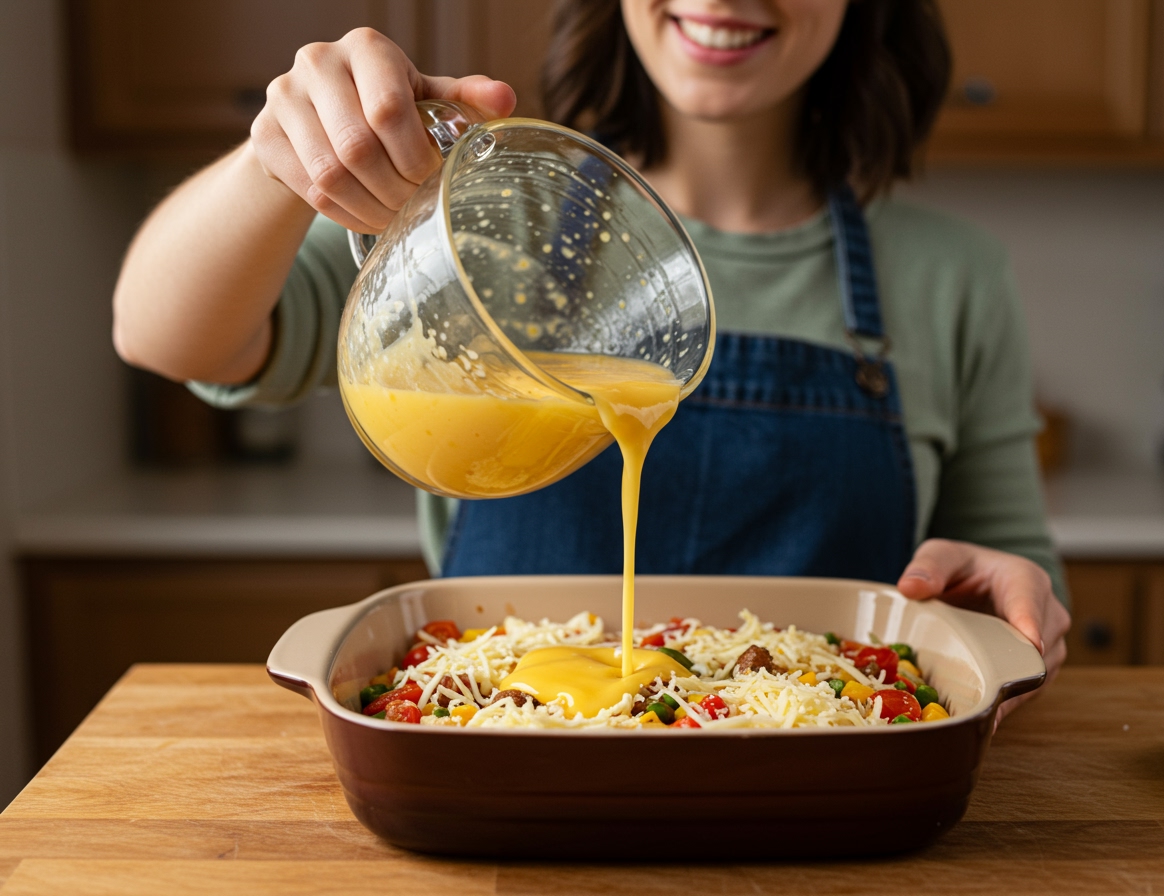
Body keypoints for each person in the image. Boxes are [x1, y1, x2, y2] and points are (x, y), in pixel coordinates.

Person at [113, 0, 1071, 716]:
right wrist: (276, 158)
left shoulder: (955, 274)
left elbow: (1010, 575)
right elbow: (166, 336)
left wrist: (1006, 598)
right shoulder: (484, 209)